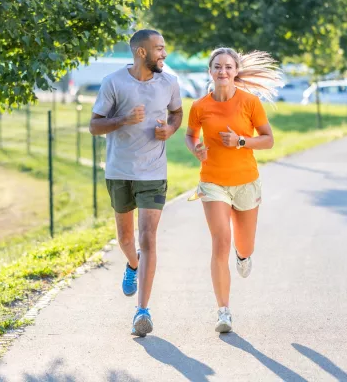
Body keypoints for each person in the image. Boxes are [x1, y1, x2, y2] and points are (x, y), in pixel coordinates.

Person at [89, 29, 183, 337]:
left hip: (154, 171)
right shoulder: (113, 82)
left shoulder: (169, 82)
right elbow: (94, 125)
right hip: (120, 170)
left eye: (164, 48)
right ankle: (132, 264)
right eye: (158, 48)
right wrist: (122, 120)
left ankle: (142, 311)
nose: (163, 54)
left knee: (148, 238)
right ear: (141, 52)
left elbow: (177, 113)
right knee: (127, 240)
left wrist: (169, 130)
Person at [185, 48, 283, 333]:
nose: (223, 72)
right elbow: (191, 136)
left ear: (236, 71)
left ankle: (244, 256)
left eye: (228, 67)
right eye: (217, 66)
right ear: (210, 71)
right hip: (212, 182)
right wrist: (196, 150)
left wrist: (240, 141)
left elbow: (268, 141)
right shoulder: (200, 106)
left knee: (244, 244)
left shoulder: (250, 103)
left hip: (246, 182)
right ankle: (224, 311)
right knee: (220, 242)